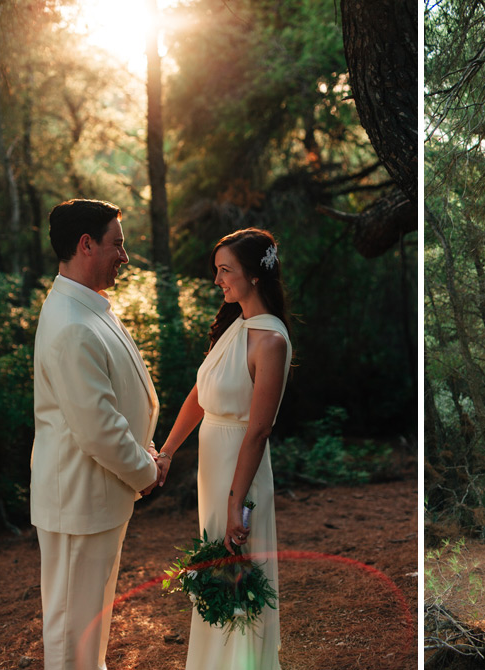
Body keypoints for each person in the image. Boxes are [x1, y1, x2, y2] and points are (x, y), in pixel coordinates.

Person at [31, 199, 164, 670]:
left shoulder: (88, 307)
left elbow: (114, 402)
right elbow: (98, 428)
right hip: (78, 503)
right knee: (72, 639)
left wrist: (144, 448)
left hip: (99, 498)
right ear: (86, 245)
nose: (124, 256)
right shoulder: (70, 324)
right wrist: (146, 469)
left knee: (90, 634)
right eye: (118, 244)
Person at [156, 228, 292, 670]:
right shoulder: (234, 327)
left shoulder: (270, 340)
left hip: (241, 472)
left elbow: (258, 431)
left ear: (254, 276)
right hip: (210, 472)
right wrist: (169, 450)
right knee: (216, 572)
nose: (218, 280)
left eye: (225, 271)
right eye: (217, 270)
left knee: (240, 572)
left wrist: (238, 503)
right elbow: (200, 394)